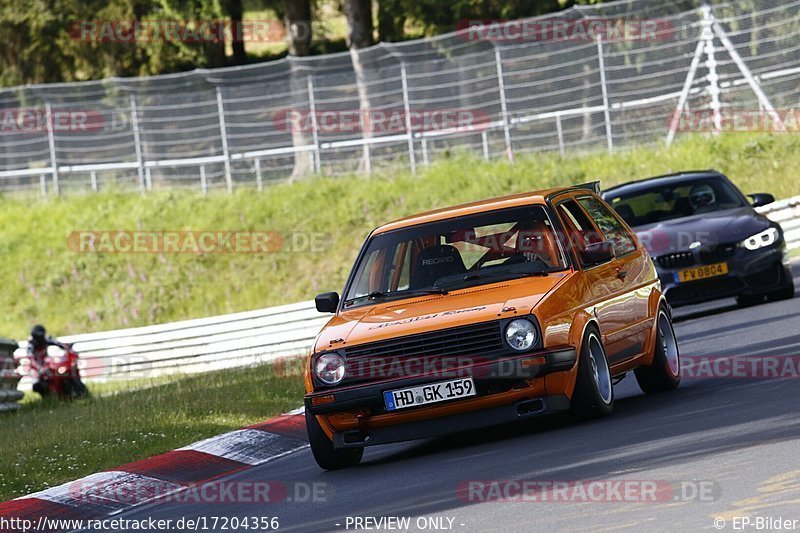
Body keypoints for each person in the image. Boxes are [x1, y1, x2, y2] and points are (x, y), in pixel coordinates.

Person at [27, 324, 86, 398]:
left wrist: (68, 347)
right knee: (37, 383)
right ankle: (47, 396)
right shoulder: (31, 345)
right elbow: (31, 358)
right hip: (37, 365)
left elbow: (57, 343)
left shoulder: (46, 339)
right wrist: (38, 368)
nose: (40, 339)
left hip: (47, 363)